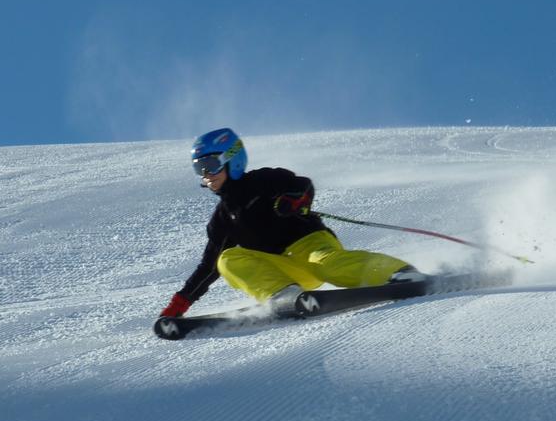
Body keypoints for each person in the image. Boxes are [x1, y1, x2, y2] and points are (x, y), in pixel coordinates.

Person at [159, 128, 425, 318]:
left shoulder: (263, 180)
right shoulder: (222, 218)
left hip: (311, 245)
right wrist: (180, 303)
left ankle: (399, 273)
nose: (206, 175)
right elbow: (208, 267)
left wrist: (296, 199)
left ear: (232, 159)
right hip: (284, 270)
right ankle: (283, 295)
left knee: (325, 262)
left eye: (210, 164)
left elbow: (302, 185)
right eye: (199, 169)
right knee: (227, 259)